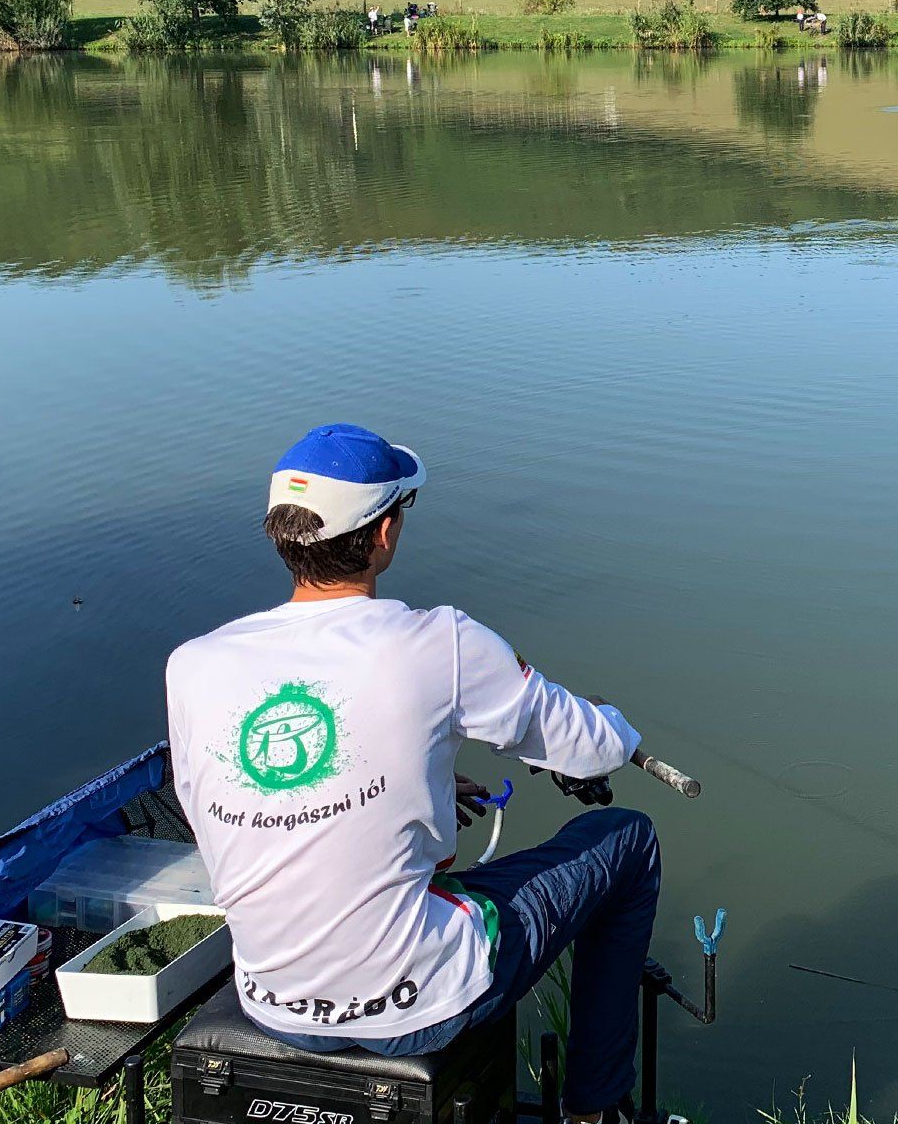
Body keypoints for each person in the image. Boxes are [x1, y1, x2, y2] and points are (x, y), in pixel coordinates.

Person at [167, 424, 657, 1124]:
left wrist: (413, 783)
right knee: (627, 841)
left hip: (271, 1000)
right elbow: (589, 749)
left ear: (284, 534)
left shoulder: (195, 664)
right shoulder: (439, 643)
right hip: (414, 1005)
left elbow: (217, 806)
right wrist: (613, 725)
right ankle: (596, 1110)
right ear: (385, 533)